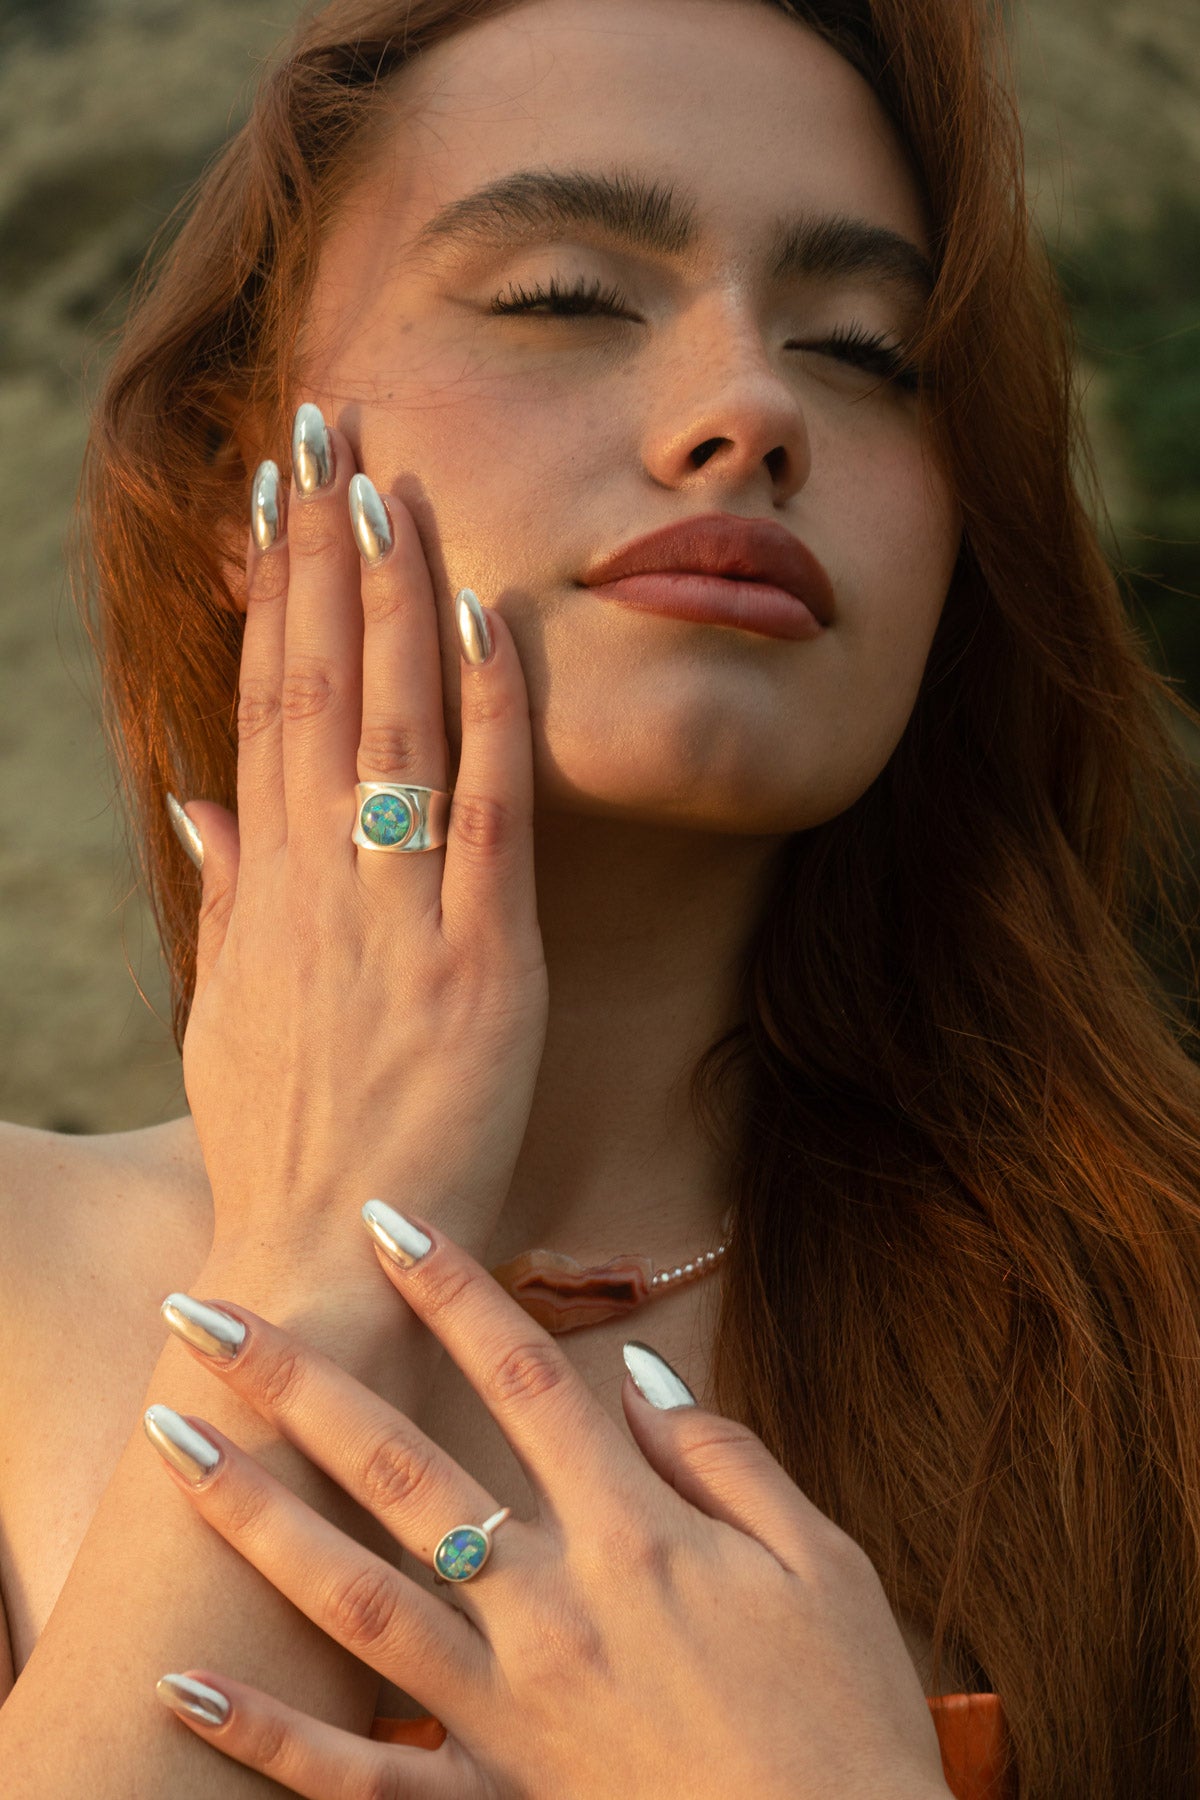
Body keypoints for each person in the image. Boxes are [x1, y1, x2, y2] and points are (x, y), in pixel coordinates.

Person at [2, 0, 1199, 1791]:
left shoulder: (1152, 1342)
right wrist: (323, 1253)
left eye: (868, 352)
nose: (754, 410)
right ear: (229, 476)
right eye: (565, 298)